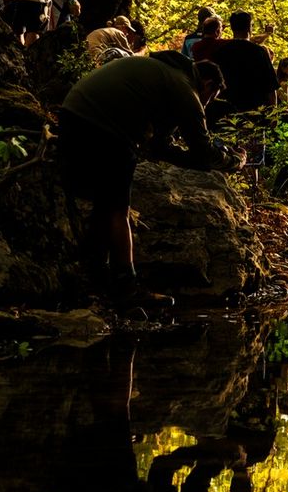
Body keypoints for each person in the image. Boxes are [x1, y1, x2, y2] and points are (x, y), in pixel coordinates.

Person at [57, 50, 245, 305]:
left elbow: (160, 147)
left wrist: (198, 162)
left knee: (103, 205)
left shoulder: (162, 74)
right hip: (103, 127)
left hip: (74, 114)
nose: (207, 104)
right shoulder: (184, 89)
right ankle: (127, 288)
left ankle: (96, 280)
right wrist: (233, 161)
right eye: (211, 98)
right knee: (117, 209)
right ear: (209, 85)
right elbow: (202, 150)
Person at [207, 11, 279, 125]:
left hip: (225, 115)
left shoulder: (221, 52)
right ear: (249, 27)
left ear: (232, 28)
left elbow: (211, 85)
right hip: (254, 115)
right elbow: (270, 86)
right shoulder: (259, 52)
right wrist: (273, 114)